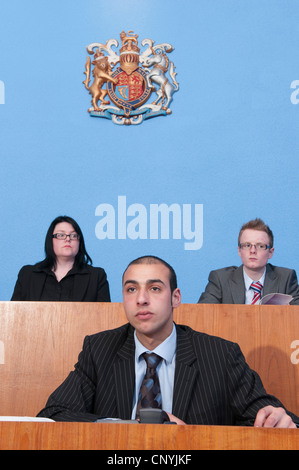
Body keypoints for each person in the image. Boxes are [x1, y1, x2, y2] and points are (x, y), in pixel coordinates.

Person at [37, 255, 298, 427]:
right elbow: (53, 415)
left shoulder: (220, 354)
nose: (141, 299)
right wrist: (125, 428)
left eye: (154, 288)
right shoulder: (99, 350)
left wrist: (279, 419)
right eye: (131, 289)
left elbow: (268, 416)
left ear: (175, 298)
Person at [198, 218, 299, 305]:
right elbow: (203, 314)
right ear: (239, 250)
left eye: (260, 246)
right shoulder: (221, 279)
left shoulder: (286, 278)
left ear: (270, 252)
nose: (253, 251)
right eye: (247, 245)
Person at [11, 215, 110, 302]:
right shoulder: (27, 275)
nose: (68, 239)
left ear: (79, 242)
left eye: (73, 235)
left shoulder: (96, 277)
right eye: (61, 235)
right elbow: (14, 315)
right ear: (50, 240)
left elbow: (104, 318)